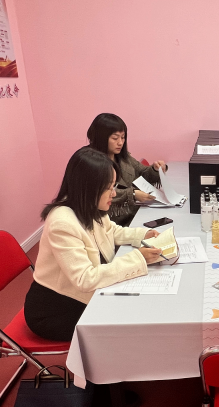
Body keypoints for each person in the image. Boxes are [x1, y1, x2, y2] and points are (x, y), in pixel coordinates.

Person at [24, 148, 163, 342]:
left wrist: (142, 234)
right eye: (108, 188)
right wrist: (138, 258)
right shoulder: (62, 223)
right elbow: (85, 279)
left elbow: (112, 231)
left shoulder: (89, 205)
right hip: (55, 308)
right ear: (87, 187)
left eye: (114, 185)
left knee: (134, 306)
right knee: (127, 321)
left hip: (80, 293)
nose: (113, 193)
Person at [86, 112, 168, 226]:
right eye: (115, 138)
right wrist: (132, 194)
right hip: (110, 221)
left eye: (123, 137)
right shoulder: (90, 161)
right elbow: (96, 193)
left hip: (133, 214)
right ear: (101, 138)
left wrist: (155, 169)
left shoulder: (123, 157)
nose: (120, 142)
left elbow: (143, 173)